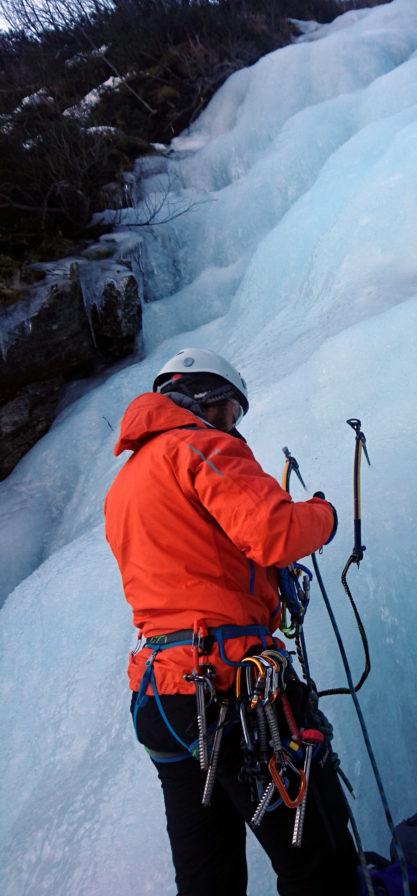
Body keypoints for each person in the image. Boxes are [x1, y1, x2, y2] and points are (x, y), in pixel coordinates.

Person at [104, 347, 360, 896]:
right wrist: (324, 515)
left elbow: (194, 566)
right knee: (320, 858)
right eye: (233, 412)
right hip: (234, 687)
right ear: (211, 401)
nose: (234, 426)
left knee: (208, 876)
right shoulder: (201, 446)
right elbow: (274, 533)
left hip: (162, 695)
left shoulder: (125, 486)